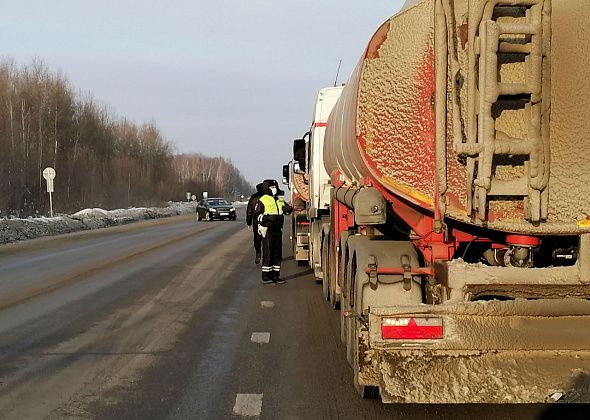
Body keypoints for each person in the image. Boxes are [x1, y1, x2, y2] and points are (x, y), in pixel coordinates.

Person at [255, 179, 292, 284]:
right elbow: (257, 216)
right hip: (268, 230)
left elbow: (286, 208)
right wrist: (267, 218)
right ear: (267, 188)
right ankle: (266, 276)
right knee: (268, 253)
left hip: (278, 230)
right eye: (271, 187)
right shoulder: (262, 200)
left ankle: (276, 275)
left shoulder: (278, 200)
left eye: (275, 187)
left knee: (277, 254)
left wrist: (288, 209)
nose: (274, 189)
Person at [246, 183, 264, 265]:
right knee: (266, 239)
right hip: (266, 221)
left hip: (256, 222)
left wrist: (249, 222)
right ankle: (267, 256)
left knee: (257, 239)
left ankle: (258, 254)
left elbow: (249, 211)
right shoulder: (267, 197)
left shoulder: (253, 197)